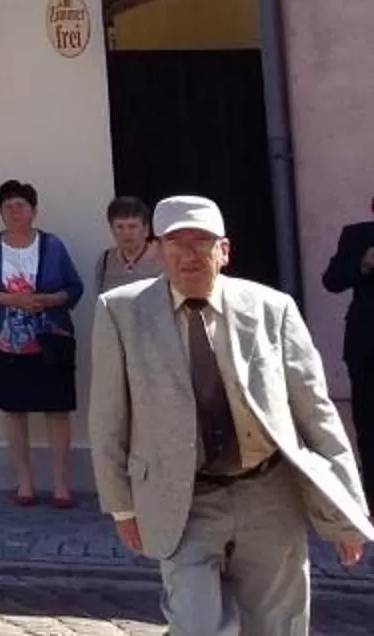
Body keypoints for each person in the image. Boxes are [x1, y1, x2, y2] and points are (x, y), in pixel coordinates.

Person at [91, 195, 369, 636]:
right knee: (196, 624)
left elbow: (316, 412)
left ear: (224, 250)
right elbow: (107, 417)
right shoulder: (120, 312)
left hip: (268, 492)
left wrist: (347, 512)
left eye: (201, 242)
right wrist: (122, 506)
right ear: (157, 250)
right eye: (175, 242)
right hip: (183, 496)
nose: (189, 254)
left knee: (277, 624)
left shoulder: (272, 309)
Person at [0, 179, 87, 506]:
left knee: (57, 410)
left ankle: (62, 485)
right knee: (14, 409)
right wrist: (10, 299)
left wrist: (48, 300)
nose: (14, 212)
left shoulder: (52, 245)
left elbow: (74, 288)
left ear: (33, 210)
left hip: (51, 338)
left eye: (20, 205)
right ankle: (25, 483)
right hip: (5, 341)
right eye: (7, 206)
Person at [327, 197, 374, 450]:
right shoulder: (357, 236)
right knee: (369, 430)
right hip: (367, 350)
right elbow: (331, 281)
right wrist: (363, 265)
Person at [100, 196, 162, 296]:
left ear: (146, 229)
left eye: (132, 227)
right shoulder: (105, 260)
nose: (126, 233)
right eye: (120, 227)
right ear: (112, 230)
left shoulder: (163, 259)